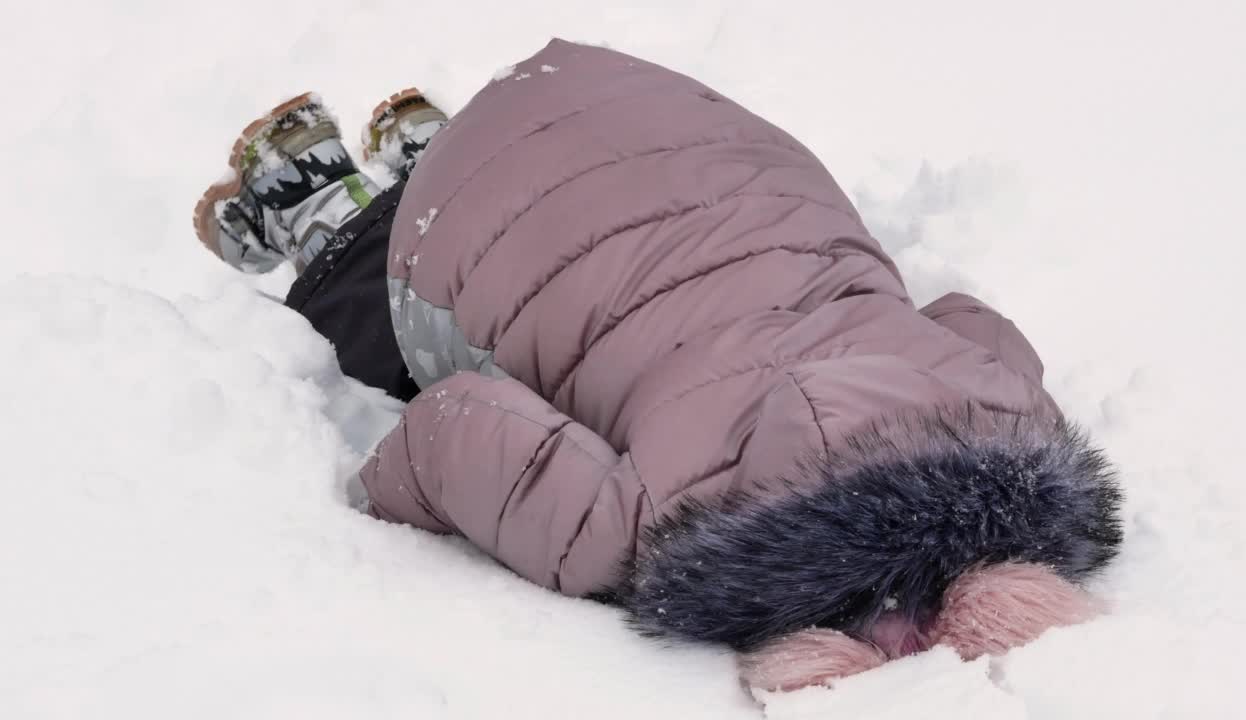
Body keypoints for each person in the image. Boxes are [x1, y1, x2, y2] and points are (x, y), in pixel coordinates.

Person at [194, 39, 1122, 692]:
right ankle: (328, 205)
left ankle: (451, 148)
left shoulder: (1005, 419)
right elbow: (452, 423)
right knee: (398, 343)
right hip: (483, 200)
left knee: (594, 260)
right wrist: (371, 505)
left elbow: (970, 318)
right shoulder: (655, 524)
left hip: (672, 125)